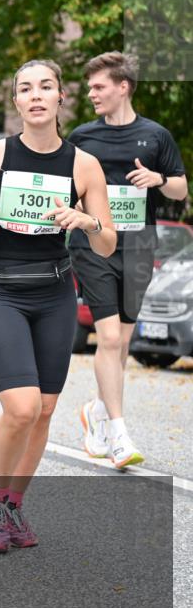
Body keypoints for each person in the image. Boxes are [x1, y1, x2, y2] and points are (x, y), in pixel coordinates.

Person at [0, 59, 116, 553]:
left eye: (46, 86)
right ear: (18, 101)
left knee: (44, 410)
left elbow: (107, 242)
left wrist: (84, 221)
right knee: (21, 407)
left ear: (61, 97)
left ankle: (13, 506)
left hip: (54, 293)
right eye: (26, 88)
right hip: (1, 288)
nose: (37, 95)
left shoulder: (82, 164)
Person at [67, 52, 189, 469]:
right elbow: (67, 187)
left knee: (121, 342)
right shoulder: (82, 137)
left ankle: (96, 411)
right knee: (111, 338)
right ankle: (119, 432)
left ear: (123, 87)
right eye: (90, 87)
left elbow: (180, 190)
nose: (91, 93)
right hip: (93, 244)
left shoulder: (155, 136)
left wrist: (158, 179)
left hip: (139, 246)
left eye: (99, 86)